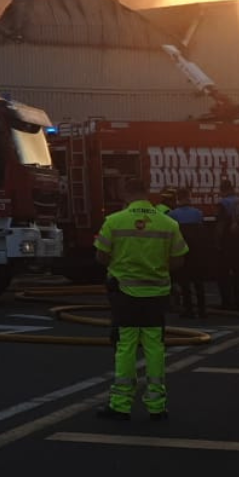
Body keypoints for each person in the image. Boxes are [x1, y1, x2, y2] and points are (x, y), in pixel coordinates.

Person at [93, 176, 189, 422]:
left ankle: (121, 404)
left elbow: (101, 257)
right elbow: (179, 260)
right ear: (147, 192)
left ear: (125, 191)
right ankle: (157, 405)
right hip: (156, 295)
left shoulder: (114, 221)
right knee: (155, 347)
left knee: (125, 347)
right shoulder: (168, 223)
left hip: (125, 294)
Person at [163, 191, 209, 318]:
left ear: (178, 199)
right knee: (198, 282)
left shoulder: (173, 214)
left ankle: (188, 309)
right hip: (197, 252)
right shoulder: (198, 213)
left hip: (183, 251)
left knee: (185, 282)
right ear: (189, 198)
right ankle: (202, 309)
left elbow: (171, 234)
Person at [213, 179, 239, 309]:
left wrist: (217, 242)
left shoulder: (223, 203)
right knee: (238, 273)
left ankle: (226, 302)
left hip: (227, 241)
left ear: (223, 189)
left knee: (222, 273)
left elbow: (221, 224)